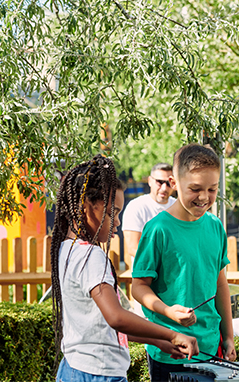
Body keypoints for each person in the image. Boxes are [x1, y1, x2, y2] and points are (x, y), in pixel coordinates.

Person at [50, 155, 198, 382]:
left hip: (74, 368)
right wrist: (172, 334)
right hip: (99, 374)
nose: (117, 222)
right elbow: (116, 317)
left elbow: (104, 324)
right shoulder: (91, 256)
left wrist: (158, 341)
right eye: (113, 212)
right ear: (87, 207)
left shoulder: (68, 250)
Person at [131, 144, 235, 382]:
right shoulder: (158, 229)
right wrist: (168, 311)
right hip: (171, 352)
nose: (204, 197)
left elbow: (220, 285)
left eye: (212, 189)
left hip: (210, 349)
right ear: (173, 183)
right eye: (195, 188)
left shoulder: (215, 226)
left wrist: (228, 336)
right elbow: (138, 287)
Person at [122, 163, 176, 263]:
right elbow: (133, 248)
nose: (164, 188)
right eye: (159, 182)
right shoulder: (136, 206)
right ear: (150, 181)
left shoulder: (178, 206)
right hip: (147, 269)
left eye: (168, 183)